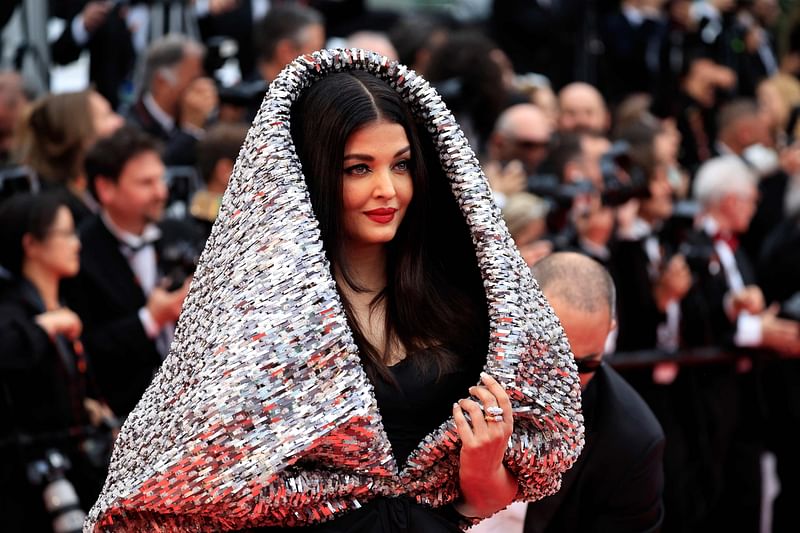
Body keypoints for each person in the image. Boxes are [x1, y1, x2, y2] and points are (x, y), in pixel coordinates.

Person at [85, 49, 584, 531]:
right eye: (359, 168)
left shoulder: (461, 303)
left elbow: (475, 504)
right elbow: (186, 483)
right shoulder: (261, 320)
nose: (387, 189)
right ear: (316, 174)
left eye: (402, 164)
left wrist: (483, 465)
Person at [471, 252, 665, 533]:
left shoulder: (631, 442)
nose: (566, 380)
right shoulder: (454, 362)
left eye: (584, 364)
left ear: (610, 332)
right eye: (550, 357)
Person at [62, 126, 201, 418]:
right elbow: (87, 351)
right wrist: (151, 319)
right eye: (145, 183)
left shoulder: (184, 234)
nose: (161, 192)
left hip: (197, 401)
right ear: (105, 189)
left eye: (160, 179)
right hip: (127, 412)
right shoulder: (78, 254)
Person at [0, 192, 116, 533]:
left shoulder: (65, 301)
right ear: (32, 245)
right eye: (65, 234)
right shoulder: (10, 313)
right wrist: (47, 326)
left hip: (81, 467)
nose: (76, 243)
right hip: (32, 487)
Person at [17, 89, 124, 224]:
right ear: (81, 133)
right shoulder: (54, 210)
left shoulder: (95, 183)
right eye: (107, 115)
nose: (120, 121)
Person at [126, 34, 218, 166]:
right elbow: (156, 170)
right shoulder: (131, 126)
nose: (201, 88)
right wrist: (190, 130)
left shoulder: (204, 119)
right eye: (193, 80)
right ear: (162, 82)